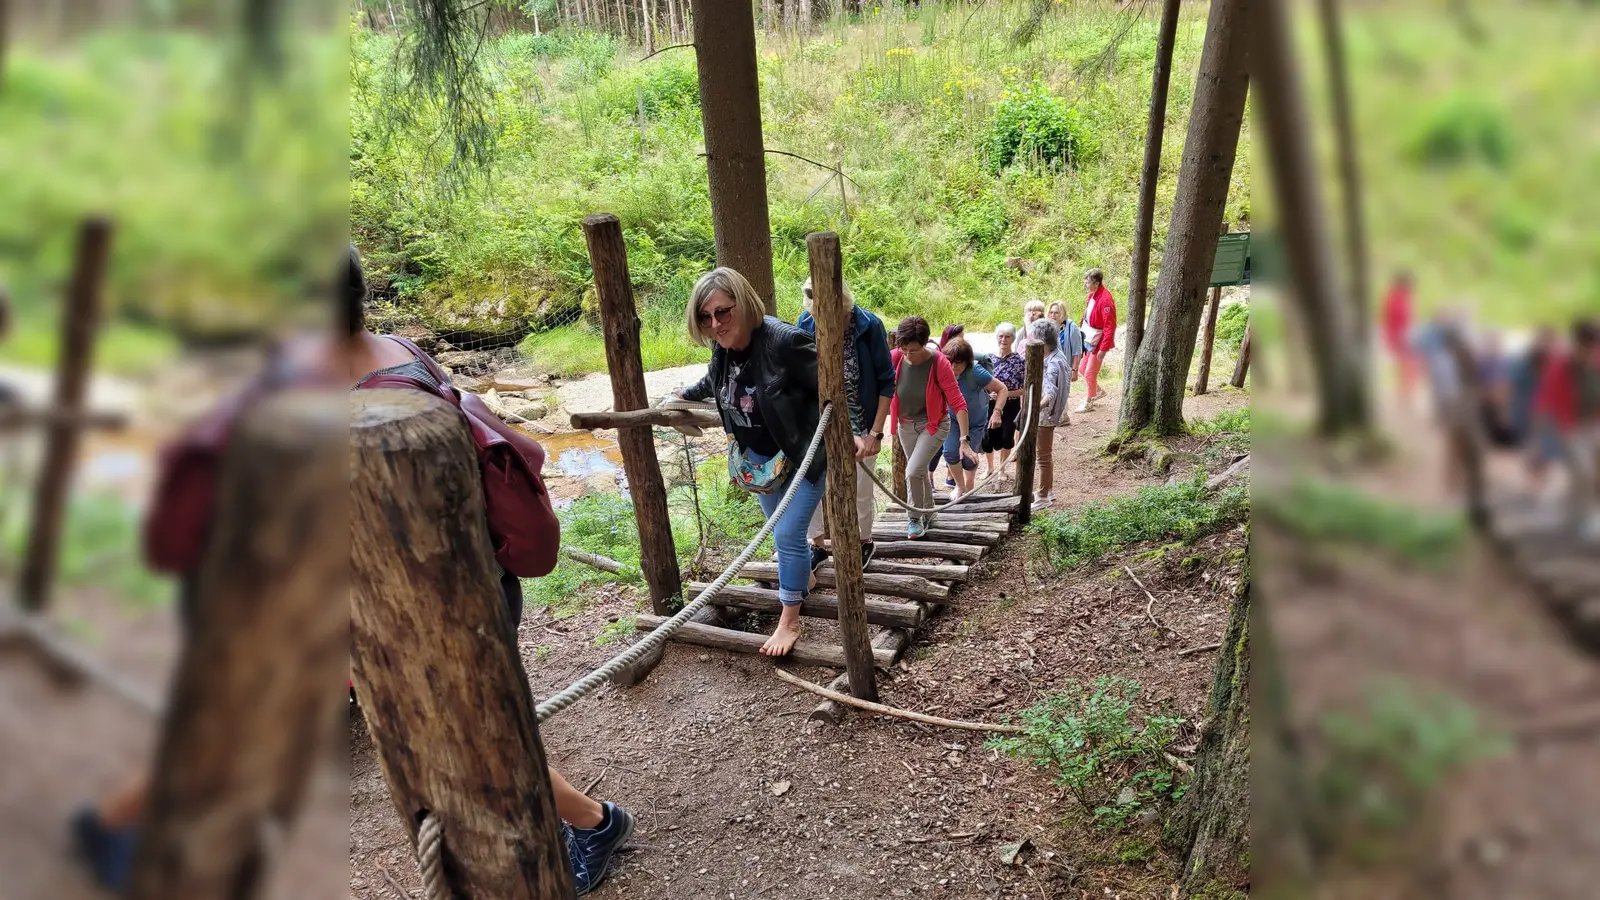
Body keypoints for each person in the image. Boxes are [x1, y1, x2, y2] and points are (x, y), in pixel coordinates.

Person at [72, 248, 634, 896]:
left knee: (471, 736)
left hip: (415, 612)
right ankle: (127, 829)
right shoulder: (389, 354)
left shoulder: (363, 409)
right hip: (416, 602)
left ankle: (592, 824)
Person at [677, 267, 825, 656]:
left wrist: (864, 432)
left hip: (800, 456)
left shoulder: (784, 341)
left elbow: (833, 386)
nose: (716, 324)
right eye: (706, 317)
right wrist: (682, 398)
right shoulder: (722, 346)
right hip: (759, 462)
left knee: (785, 535)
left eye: (723, 312)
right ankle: (804, 574)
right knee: (784, 534)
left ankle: (790, 620)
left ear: (744, 303)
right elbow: (714, 381)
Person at [796, 276, 894, 570]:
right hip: (819, 424)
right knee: (811, 482)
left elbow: (887, 383)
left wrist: (876, 432)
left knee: (860, 488)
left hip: (861, 421)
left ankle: (863, 541)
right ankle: (818, 546)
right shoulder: (806, 324)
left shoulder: (868, 326)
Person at [889, 316, 973, 538]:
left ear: (925, 343)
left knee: (913, 470)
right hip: (906, 425)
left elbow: (958, 402)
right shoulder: (896, 357)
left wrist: (964, 439)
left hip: (934, 425)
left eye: (913, 350)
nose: (908, 355)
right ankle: (929, 512)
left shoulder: (938, 362)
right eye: (904, 349)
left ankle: (914, 518)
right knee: (919, 472)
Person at [939, 337, 1008, 498]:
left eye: (959, 363)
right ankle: (960, 486)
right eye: (951, 362)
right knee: (950, 452)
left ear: (967, 362)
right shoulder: (943, 368)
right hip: (953, 419)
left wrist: (997, 412)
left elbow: (1002, 389)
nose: (953, 367)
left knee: (968, 459)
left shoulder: (975, 372)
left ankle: (969, 485)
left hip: (975, 422)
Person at [1029, 319, 1071, 508]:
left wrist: (1037, 407)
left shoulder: (1053, 363)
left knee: (1043, 456)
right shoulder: (1058, 355)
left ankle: (1043, 496)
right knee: (1046, 454)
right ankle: (1048, 490)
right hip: (1050, 414)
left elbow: (1050, 393)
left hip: (1046, 416)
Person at [982, 323, 1026, 480]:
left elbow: (1024, 388)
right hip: (990, 403)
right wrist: (989, 394)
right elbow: (981, 383)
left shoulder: (1019, 361)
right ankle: (989, 468)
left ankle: (1001, 469)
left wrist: (1005, 394)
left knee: (1007, 435)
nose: (1003, 339)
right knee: (987, 435)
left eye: (1007, 336)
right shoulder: (988, 359)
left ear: (1013, 339)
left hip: (1011, 403)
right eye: (1001, 336)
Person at [1077, 269, 1117, 413]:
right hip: (1089, 338)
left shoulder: (1105, 300)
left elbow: (1109, 326)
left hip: (1098, 342)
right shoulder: (1092, 295)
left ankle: (1089, 402)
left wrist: (1103, 348)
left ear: (1096, 283)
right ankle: (1097, 391)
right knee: (1082, 368)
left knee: (1089, 372)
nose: (1085, 285)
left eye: (1087, 283)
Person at [1382, 272, 1420, 408]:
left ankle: (1407, 394)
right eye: (1410, 285)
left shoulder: (1404, 297)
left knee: (1408, 366)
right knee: (1406, 366)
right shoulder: (1396, 298)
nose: (1411, 288)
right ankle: (1405, 396)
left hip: (1405, 335)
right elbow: (1394, 320)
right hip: (1400, 336)